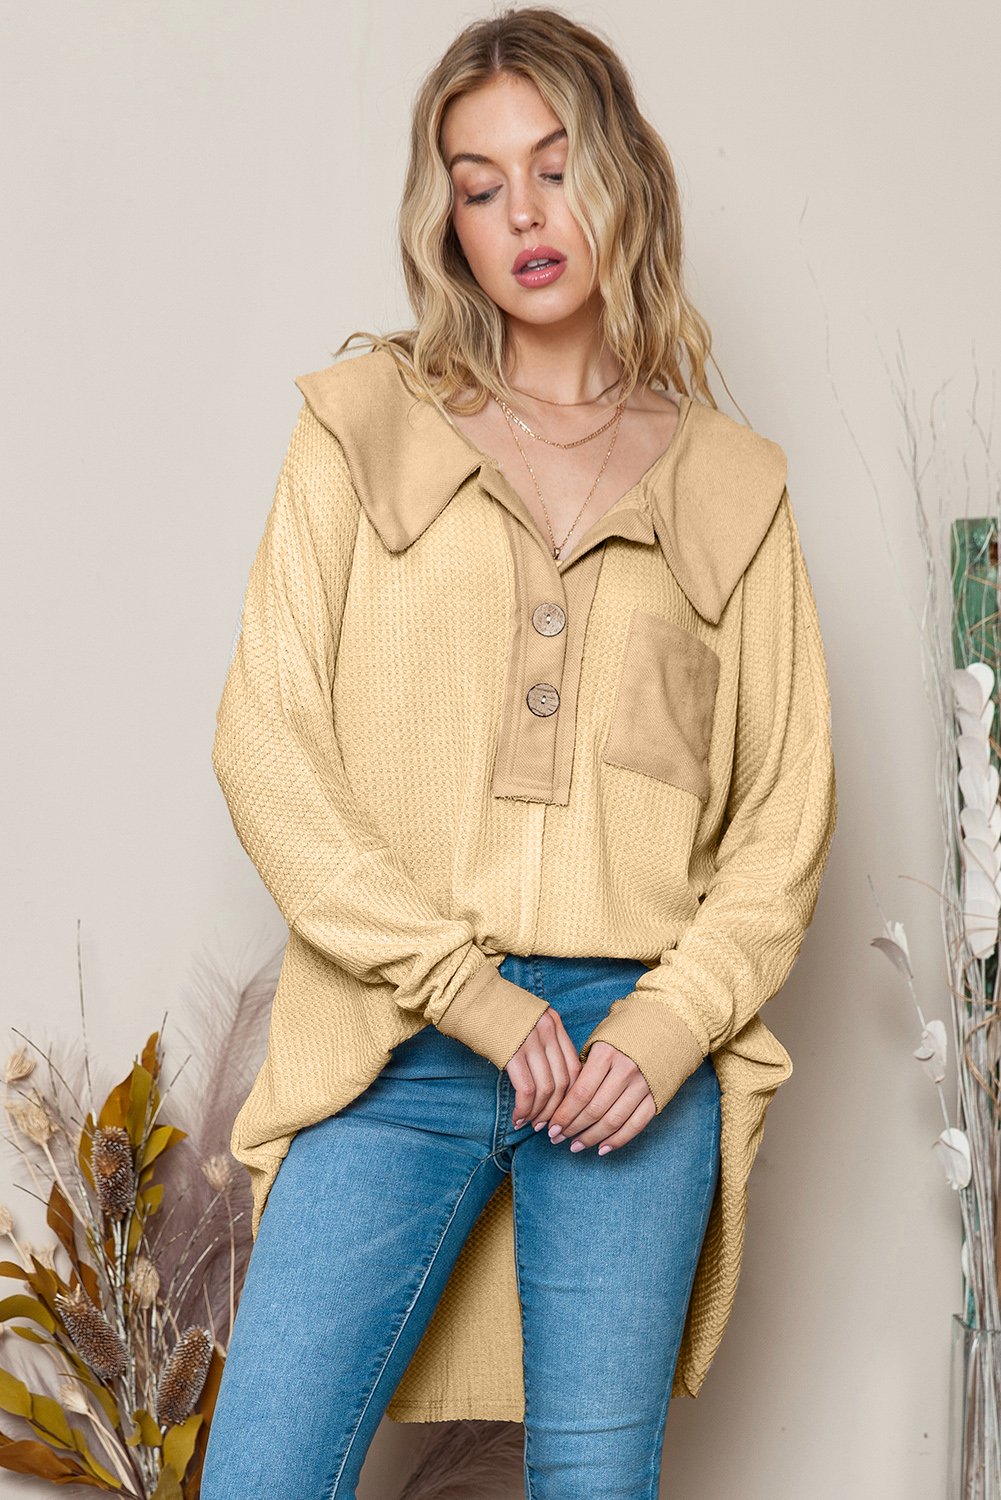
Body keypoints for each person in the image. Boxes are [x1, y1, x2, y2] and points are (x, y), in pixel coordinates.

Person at [200, 8, 838, 1499]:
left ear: (623, 177)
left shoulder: (732, 489)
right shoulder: (360, 430)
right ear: (446, 220)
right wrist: (463, 992)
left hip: (627, 1056)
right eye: (479, 186)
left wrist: (669, 1027)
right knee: (266, 1473)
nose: (524, 217)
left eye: (554, 169)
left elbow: (781, 821)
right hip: (396, 1025)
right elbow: (265, 747)